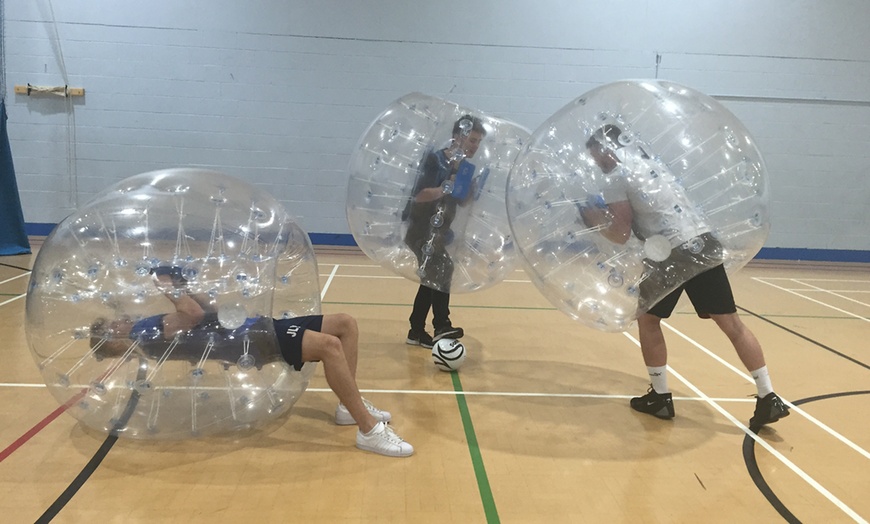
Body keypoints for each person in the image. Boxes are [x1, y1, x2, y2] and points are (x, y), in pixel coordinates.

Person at [580, 124, 789, 433]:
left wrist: (589, 220)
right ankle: (768, 395)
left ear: (608, 149)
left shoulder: (616, 177)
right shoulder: (652, 166)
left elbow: (620, 234)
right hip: (702, 242)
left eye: (599, 157)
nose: (599, 164)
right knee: (732, 325)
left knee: (648, 320)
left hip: (671, 254)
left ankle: (661, 397)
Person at [90, 267, 414, 457]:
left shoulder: (144, 329)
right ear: (113, 342)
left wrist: (182, 284)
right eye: (111, 326)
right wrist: (171, 291)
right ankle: (368, 430)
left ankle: (348, 406)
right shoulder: (143, 337)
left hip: (254, 326)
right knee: (330, 346)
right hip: (250, 341)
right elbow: (191, 315)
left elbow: (208, 309)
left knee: (345, 323)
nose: (119, 320)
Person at [402, 115, 486, 348]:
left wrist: (470, 189)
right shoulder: (435, 160)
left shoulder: (464, 167)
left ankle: (417, 330)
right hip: (421, 229)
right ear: (458, 137)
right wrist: (446, 186)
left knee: (432, 278)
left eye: (478, 142)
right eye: (472, 140)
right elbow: (419, 195)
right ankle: (440, 325)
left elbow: (460, 202)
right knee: (442, 270)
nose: (475, 146)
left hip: (438, 232)